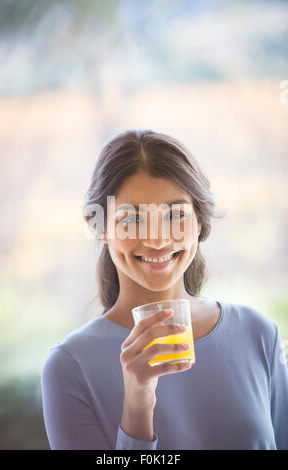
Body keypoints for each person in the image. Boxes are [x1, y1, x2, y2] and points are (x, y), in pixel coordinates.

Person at [41, 129, 288, 450]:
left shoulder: (258, 334)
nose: (157, 239)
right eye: (133, 219)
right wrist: (137, 407)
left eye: (175, 215)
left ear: (199, 223)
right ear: (102, 229)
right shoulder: (69, 367)